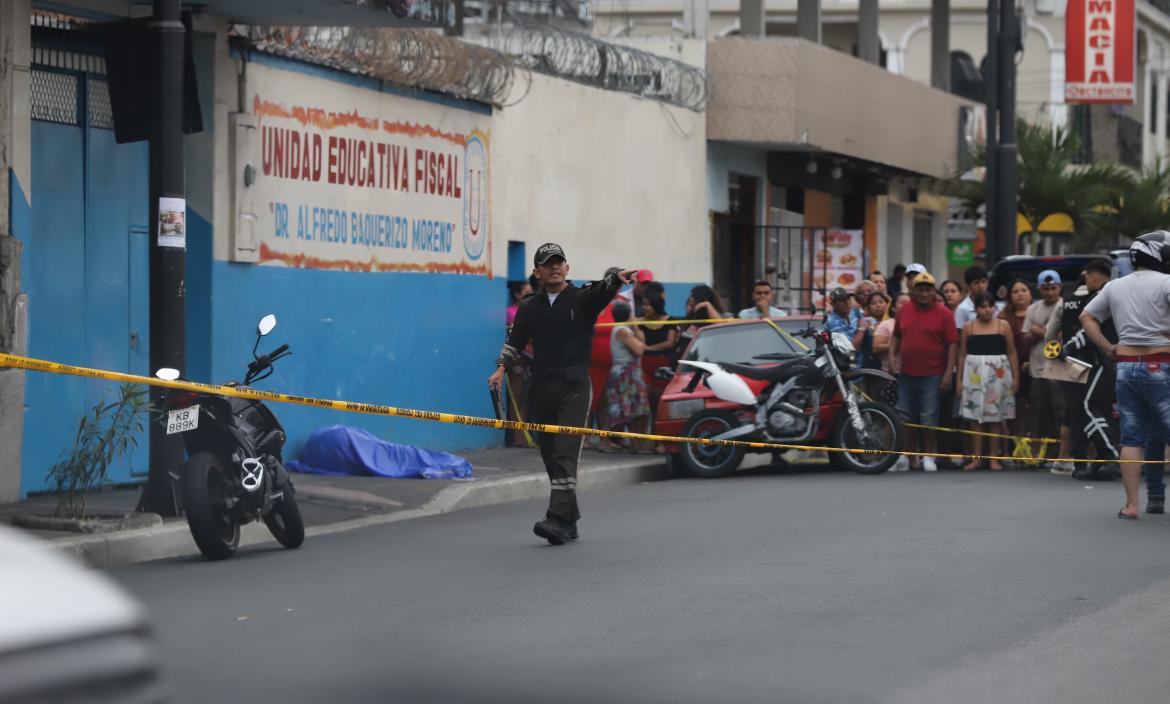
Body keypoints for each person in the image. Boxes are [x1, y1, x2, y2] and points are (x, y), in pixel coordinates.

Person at [489, 243, 638, 545]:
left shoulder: (582, 299)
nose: (554, 267)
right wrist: (501, 367)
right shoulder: (530, 307)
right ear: (537, 271)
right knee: (549, 455)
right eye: (547, 263)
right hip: (541, 387)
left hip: (575, 387)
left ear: (567, 268)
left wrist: (616, 278)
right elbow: (515, 340)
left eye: (559, 262)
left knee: (564, 453)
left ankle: (556, 519)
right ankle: (569, 521)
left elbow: (601, 290)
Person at [1081, 231, 1170, 519]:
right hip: (1161, 364)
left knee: (1132, 437)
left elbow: (1087, 316)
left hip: (1126, 367)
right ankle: (1153, 495)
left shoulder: (1115, 286)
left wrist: (1108, 347)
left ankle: (1132, 505)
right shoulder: (1166, 282)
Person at [1056, 260, 1119, 481]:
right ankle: (1104, 459)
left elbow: (1088, 330)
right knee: (1104, 409)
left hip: (1105, 359)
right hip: (1123, 359)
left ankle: (1110, 456)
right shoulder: (1117, 294)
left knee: (1089, 406)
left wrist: (1067, 348)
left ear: (1092, 277)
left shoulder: (1099, 297)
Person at [889, 272, 958, 472]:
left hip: (933, 374)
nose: (924, 293)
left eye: (928, 289)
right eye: (920, 289)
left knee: (929, 416)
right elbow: (896, 336)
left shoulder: (944, 313)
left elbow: (952, 344)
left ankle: (928, 456)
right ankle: (904, 456)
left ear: (933, 291)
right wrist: (893, 357)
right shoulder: (904, 310)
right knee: (904, 416)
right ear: (913, 291)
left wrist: (947, 373)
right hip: (907, 373)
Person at [957, 293, 1018, 470]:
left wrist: (1015, 378)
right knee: (975, 419)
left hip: (998, 375)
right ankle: (977, 458)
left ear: (994, 307)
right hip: (974, 375)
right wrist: (959, 381)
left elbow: (1012, 352)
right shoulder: (969, 327)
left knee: (996, 418)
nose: (987, 310)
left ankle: (993, 459)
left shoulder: (1003, 325)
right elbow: (962, 355)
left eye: (990, 306)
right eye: (982, 306)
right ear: (976, 309)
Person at [1024, 270, 1067, 472]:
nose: (1050, 292)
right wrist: (1043, 333)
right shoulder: (1033, 308)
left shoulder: (1065, 305)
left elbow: (1060, 337)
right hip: (1038, 370)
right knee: (1038, 415)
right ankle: (1037, 455)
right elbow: (1026, 337)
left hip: (1059, 371)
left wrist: (1039, 330)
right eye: (1046, 288)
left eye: (1053, 288)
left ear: (1060, 287)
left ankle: (1058, 454)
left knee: (1060, 413)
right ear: (1039, 289)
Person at [599, 302, 654, 454]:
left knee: (634, 409)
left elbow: (640, 342)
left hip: (629, 373)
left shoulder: (623, 329)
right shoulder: (622, 330)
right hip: (625, 375)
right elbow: (639, 349)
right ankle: (605, 442)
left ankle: (635, 443)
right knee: (621, 409)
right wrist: (636, 327)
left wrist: (636, 328)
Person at [998, 279, 1035, 441]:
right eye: (1015, 291)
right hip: (1010, 370)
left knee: (1035, 409)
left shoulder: (1038, 312)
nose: (1020, 294)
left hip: (1037, 368)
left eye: (1024, 290)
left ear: (1031, 293)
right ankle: (1017, 446)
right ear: (1009, 296)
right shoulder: (1003, 317)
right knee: (1016, 410)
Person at [853, 292, 888, 370]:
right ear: (868, 308)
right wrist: (862, 329)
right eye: (873, 303)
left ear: (887, 305)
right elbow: (854, 347)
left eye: (881, 302)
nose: (878, 305)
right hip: (871, 369)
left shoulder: (892, 322)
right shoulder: (866, 322)